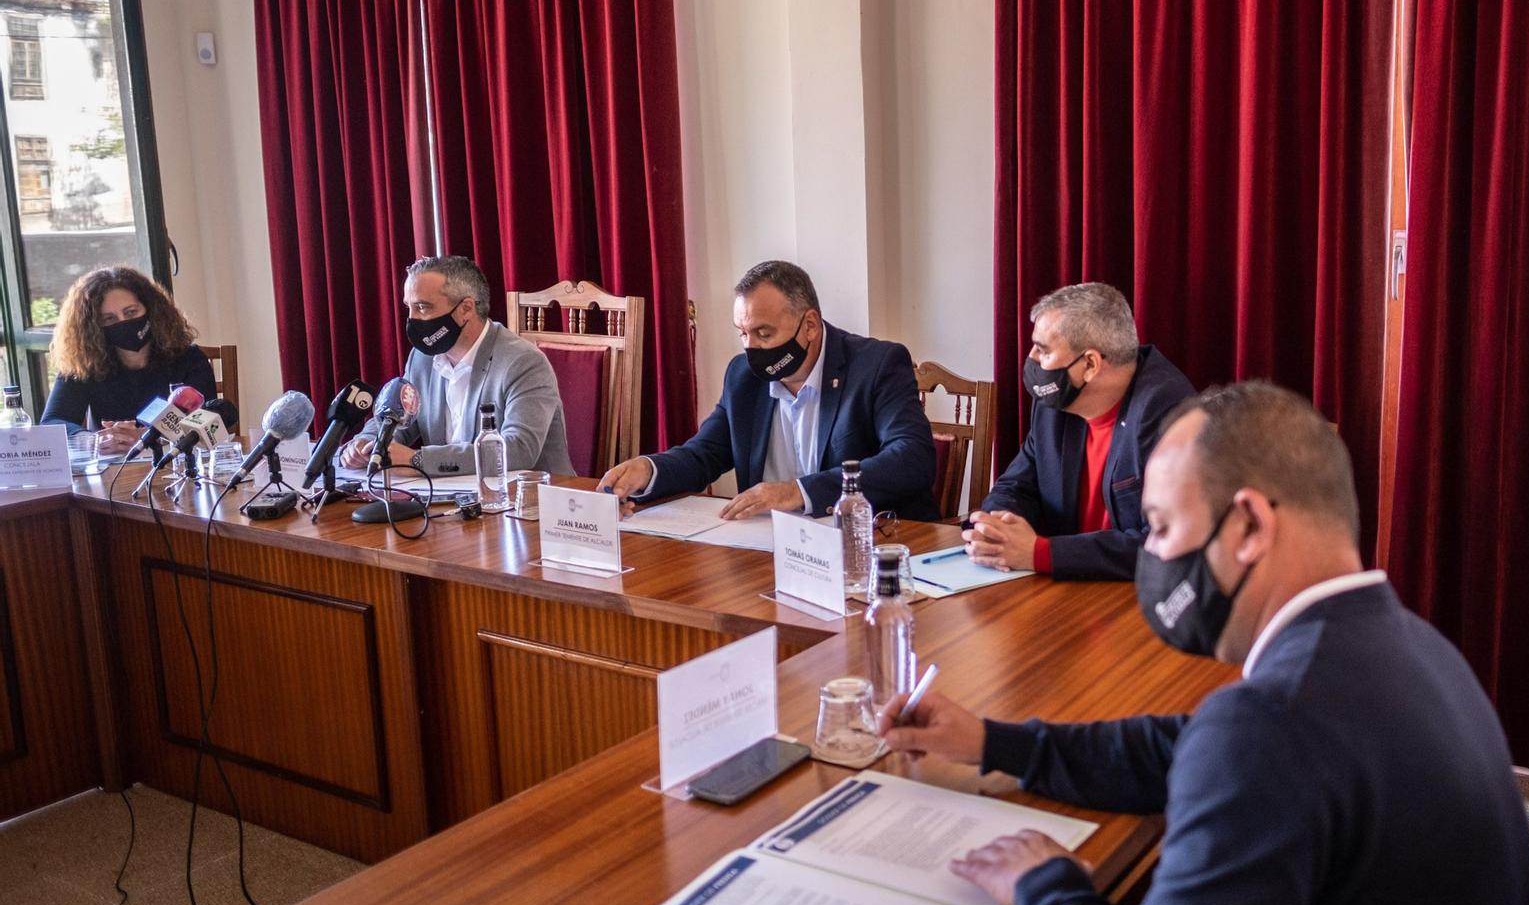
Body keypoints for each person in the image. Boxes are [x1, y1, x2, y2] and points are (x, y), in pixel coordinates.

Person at [883, 383, 1529, 905]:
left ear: (1250, 526)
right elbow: (1189, 747)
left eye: (1162, 528)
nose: (1153, 558)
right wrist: (994, 742)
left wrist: (1044, 883)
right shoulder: (1404, 643)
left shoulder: (1272, 726)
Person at [599, 260, 937, 521]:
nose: (752, 348)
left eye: (764, 333)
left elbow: (911, 458)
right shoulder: (743, 377)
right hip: (769, 549)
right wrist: (648, 470)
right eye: (743, 334)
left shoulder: (875, 365)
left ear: (810, 326)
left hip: (868, 544)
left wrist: (799, 492)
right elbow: (704, 455)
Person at [968, 282, 1193, 579]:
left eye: (1043, 350)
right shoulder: (1055, 403)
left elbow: (1168, 542)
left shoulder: (1167, 411)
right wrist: (995, 528)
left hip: (1136, 596)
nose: (1032, 358)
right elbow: (1017, 485)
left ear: (1089, 364)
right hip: (1066, 588)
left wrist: (1040, 553)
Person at [343, 255, 571, 475]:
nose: (412, 320)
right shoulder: (422, 358)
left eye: (423, 307)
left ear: (466, 309)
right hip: (453, 501)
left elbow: (518, 450)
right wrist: (369, 442)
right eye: (408, 307)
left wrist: (419, 461)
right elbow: (398, 420)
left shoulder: (523, 362)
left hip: (530, 502)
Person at [42, 266, 216, 452]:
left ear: (150, 310)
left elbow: (209, 421)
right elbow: (52, 423)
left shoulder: (188, 358)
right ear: (93, 326)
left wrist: (147, 437)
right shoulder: (85, 363)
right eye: (109, 318)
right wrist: (93, 439)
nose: (123, 322)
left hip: (173, 465)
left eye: (131, 312)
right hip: (110, 470)